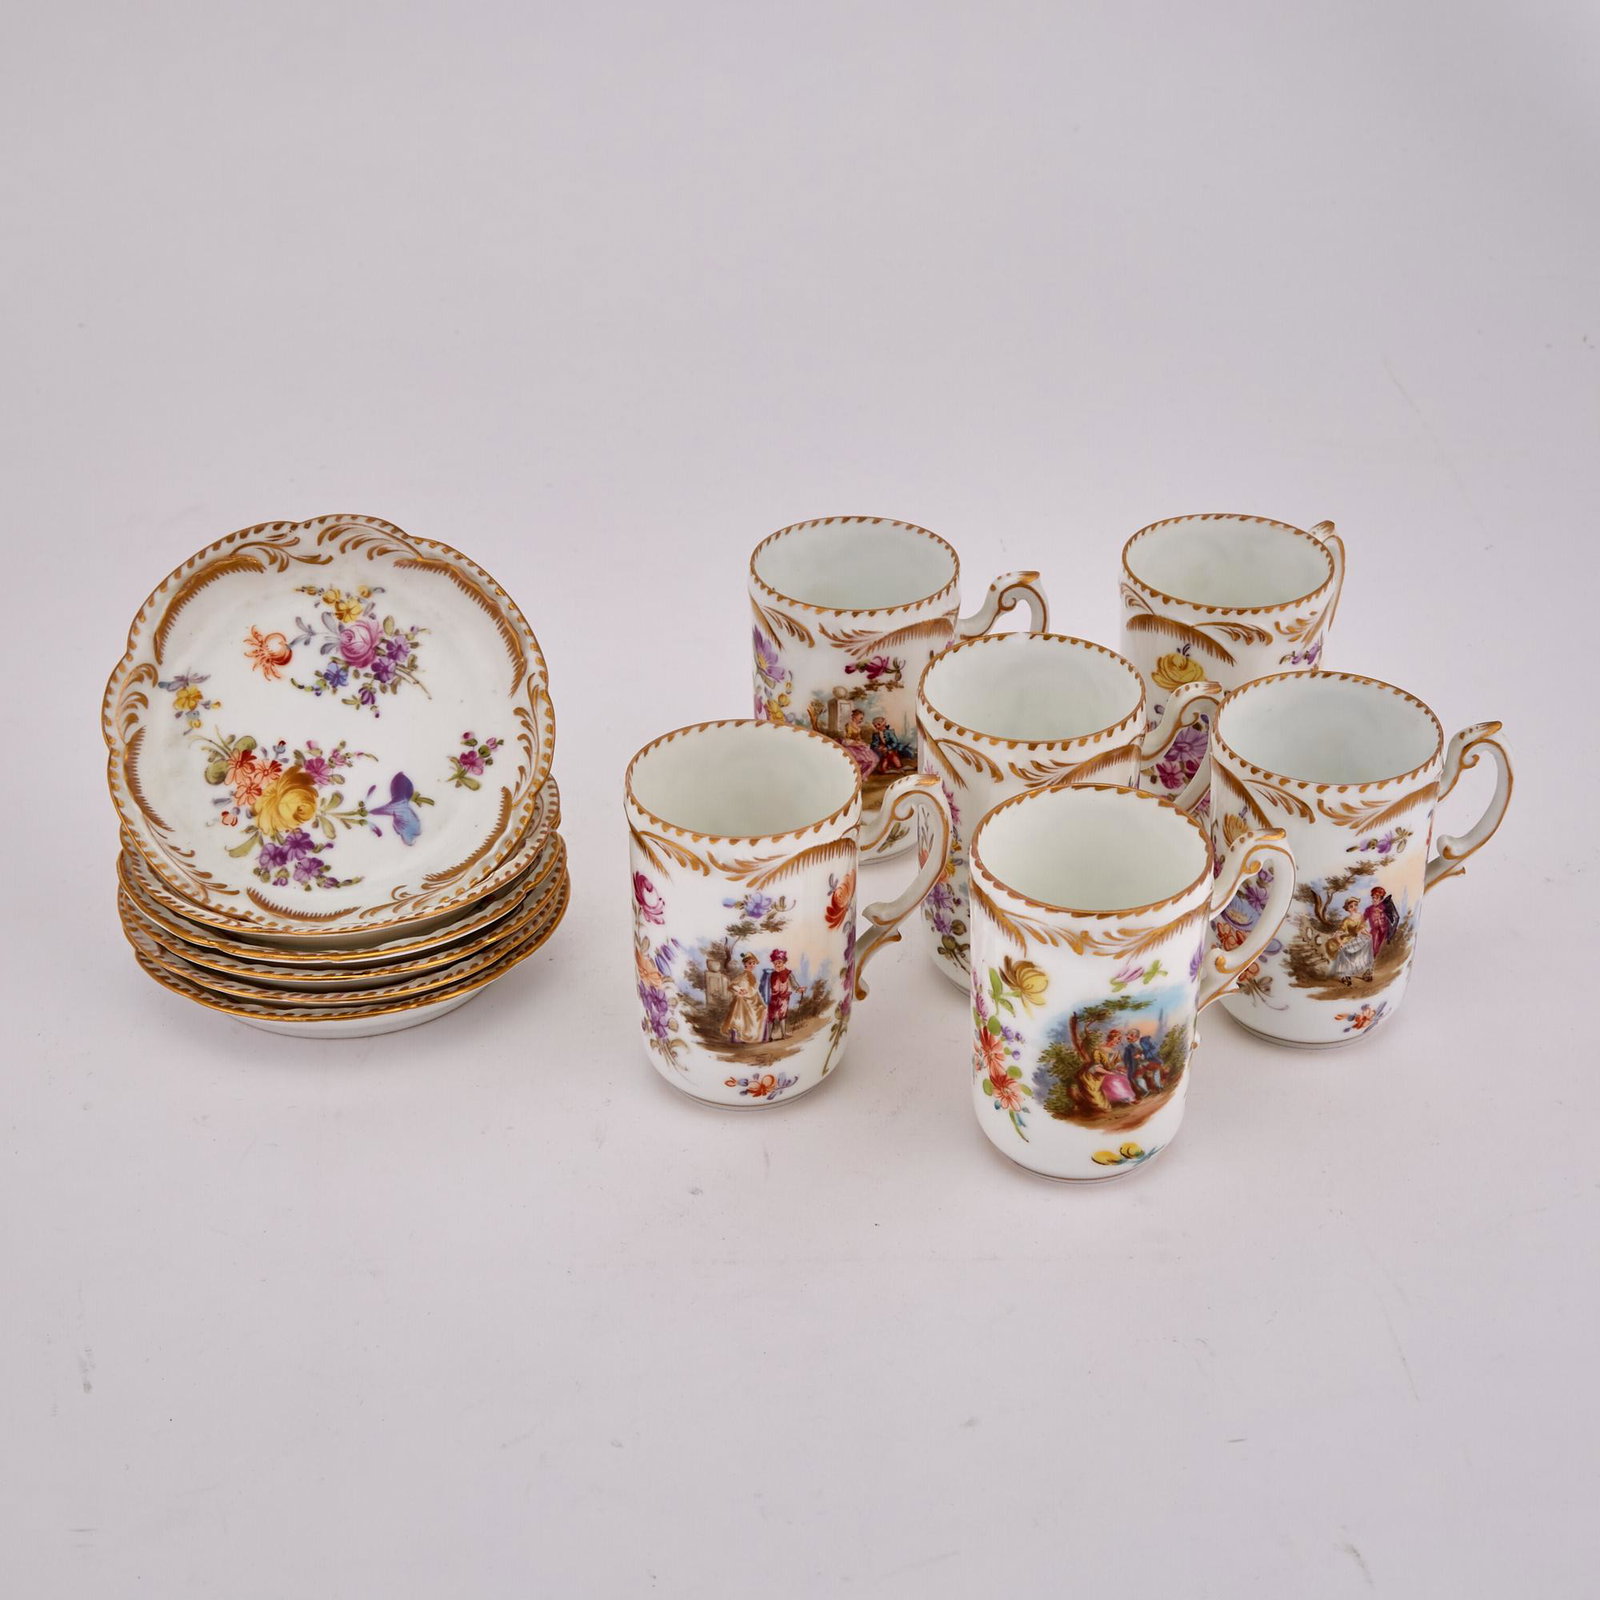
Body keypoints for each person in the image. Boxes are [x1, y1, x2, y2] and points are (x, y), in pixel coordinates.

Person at [1325, 896, 1373, 984]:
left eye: (1355, 905)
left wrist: (1368, 934)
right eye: (1351, 906)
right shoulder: (1346, 920)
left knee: (1368, 940)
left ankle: (1367, 970)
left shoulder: (1360, 916)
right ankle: (1345, 975)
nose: (1354, 908)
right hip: (1348, 939)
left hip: (1357, 938)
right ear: (1348, 909)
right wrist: (1340, 942)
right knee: (1343, 950)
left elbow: (1361, 928)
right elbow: (1339, 933)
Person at [723, 952, 767, 1044]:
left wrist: (760, 1002)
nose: (752, 965)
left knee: (763, 1009)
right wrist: (740, 990)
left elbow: (755, 991)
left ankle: (760, 1036)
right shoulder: (742, 975)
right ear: (745, 964)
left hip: (753, 999)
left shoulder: (753, 976)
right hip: (744, 1000)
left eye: (754, 963)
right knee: (739, 1007)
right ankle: (736, 1036)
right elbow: (731, 985)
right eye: (750, 963)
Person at [761, 949, 794, 1041]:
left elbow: (794, 983)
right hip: (773, 998)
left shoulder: (788, 973)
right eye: (775, 963)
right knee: (770, 1017)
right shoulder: (772, 974)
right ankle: (769, 1037)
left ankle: (783, 1034)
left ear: (784, 962)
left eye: (779, 962)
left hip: (784, 998)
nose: (777, 965)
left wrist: (799, 989)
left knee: (782, 1016)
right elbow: (766, 986)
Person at [839, 708, 879, 779]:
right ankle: (856, 775)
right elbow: (847, 738)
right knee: (862, 760)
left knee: (874, 759)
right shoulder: (849, 725)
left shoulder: (858, 727)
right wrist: (857, 743)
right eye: (860, 718)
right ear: (855, 717)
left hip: (857, 745)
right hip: (851, 746)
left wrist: (862, 743)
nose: (861, 720)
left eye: (862, 718)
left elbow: (858, 738)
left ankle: (862, 775)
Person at [1124, 1025, 1164, 1095]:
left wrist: (1143, 1055)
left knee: (1156, 1069)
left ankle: (1158, 1086)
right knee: (1137, 1077)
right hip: (1139, 1065)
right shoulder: (1128, 1048)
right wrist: (1126, 1065)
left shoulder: (1146, 1041)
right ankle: (1146, 1091)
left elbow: (1155, 1050)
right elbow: (1126, 1059)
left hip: (1150, 1061)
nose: (1128, 1039)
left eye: (1130, 1036)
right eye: (1128, 1037)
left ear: (1135, 1036)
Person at [1365, 886, 1400, 961]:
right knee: (1373, 948)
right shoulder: (1369, 909)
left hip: (1385, 932)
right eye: (1373, 897)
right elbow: (1362, 921)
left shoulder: (1385, 907)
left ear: (1381, 898)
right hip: (1375, 933)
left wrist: (1391, 933)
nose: (1374, 899)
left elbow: (1396, 917)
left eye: (1376, 898)